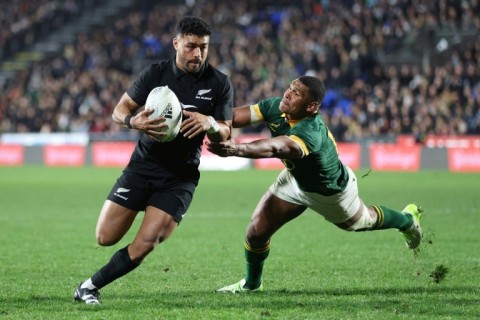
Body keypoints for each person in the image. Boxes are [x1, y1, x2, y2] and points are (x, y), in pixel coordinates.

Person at [206, 75, 422, 293]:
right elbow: (232, 116)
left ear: (311, 106)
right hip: (296, 181)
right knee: (256, 232)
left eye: (296, 93)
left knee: (363, 221)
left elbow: (276, 148)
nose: (288, 94)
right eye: (290, 87)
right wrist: (209, 121)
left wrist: (238, 149)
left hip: (331, 191)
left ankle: (407, 220)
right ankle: (251, 285)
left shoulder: (311, 130)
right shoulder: (276, 106)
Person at [73, 16, 233, 304]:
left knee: (146, 243)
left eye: (203, 47)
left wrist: (210, 123)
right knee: (105, 237)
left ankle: (89, 286)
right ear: (176, 44)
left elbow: (226, 131)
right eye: (190, 46)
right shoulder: (154, 74)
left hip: (179, 177)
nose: (197, 54)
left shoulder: (219, 83)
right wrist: (134, 121)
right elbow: (119, 110)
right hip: (142, 166)